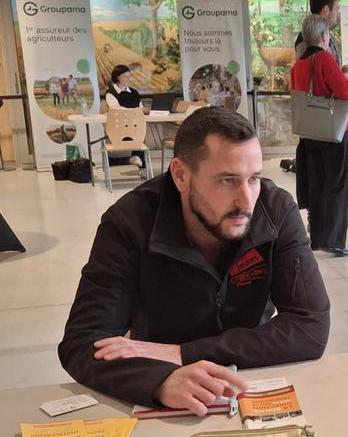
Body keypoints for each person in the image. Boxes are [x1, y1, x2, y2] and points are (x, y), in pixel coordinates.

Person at [58, 107, 331, 413]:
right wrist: (160, 380)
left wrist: (182, 353)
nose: (246, 201)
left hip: (250, 379)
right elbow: (83, 343)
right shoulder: (130, 222)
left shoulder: (275, 209)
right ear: (180, 175)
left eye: (254, 179)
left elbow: (310, 326)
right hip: (167, 398)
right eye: (227, 180)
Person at [291, 15, 348, 257]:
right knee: (335, 185)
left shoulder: (299, 63)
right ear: (323, 36)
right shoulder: (323, 58)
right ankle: (333, 241)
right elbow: (344, 92)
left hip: (309, 132)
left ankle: (317, 237)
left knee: (316, 184)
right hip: (332, 132)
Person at [105, 64, 146, 172]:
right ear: (117, 77)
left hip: (135, 126)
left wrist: (146, 110)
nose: (128, 79)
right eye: (125, 76)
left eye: (129, 76)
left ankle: (141, 166)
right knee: (138, 134)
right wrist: (135, 111)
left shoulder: (134, 92)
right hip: (118, 128)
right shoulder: (110, 93)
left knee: (140, 131)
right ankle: (133, 161)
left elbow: (140, 108)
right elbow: (116, 110)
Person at [294, 0, 341, 64]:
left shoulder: (326, 33)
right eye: (337, 9)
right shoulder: (307, 37)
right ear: (326, 10)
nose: (338, 14)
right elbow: (309, 68)